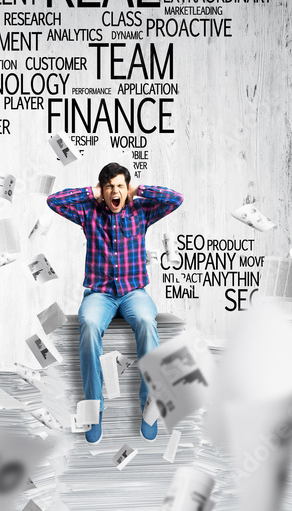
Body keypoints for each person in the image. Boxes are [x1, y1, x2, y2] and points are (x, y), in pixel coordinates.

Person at [47, 162, 183, 444]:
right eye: (109, 186)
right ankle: (93, 408)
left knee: (147, 321)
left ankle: (149, 402)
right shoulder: (89, 212)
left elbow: (176, 199)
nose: (115, 191)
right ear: (102, 191)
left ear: (127, 189)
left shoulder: (141, 210)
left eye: (120, 185)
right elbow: (53, 201)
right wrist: (91, 191)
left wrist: (138, 189)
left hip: (134, 291)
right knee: (89, 324)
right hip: (100, 292)